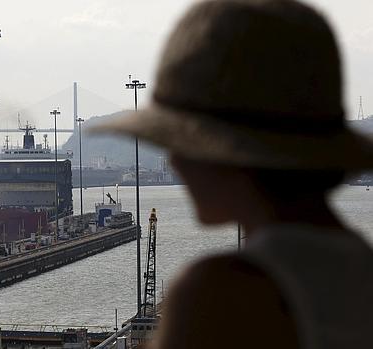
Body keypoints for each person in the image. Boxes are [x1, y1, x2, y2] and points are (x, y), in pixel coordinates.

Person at [93, 0, 373, 348]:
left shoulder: (218, 294)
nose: (176, 163)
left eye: (184, 141)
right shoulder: (359, 272)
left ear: (230, 152)